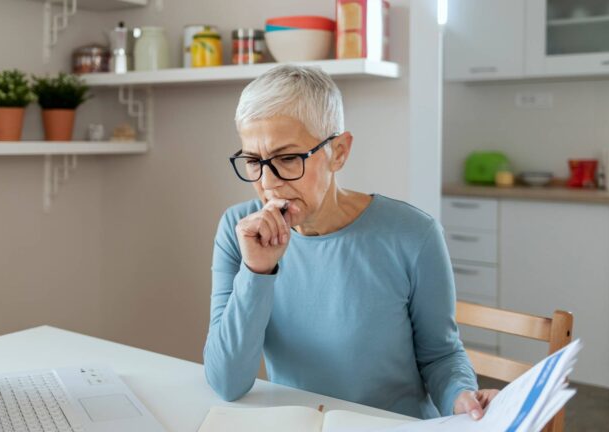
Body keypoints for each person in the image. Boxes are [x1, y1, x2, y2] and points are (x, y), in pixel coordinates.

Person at [203, 64, 499, 420]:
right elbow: (226, 382)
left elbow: (441, 355)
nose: (268, 183)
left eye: (287, 158)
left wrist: (461, 396)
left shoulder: (414, 235)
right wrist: (257, 272)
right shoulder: (239, 232)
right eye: (254, 161)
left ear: (339, 152)